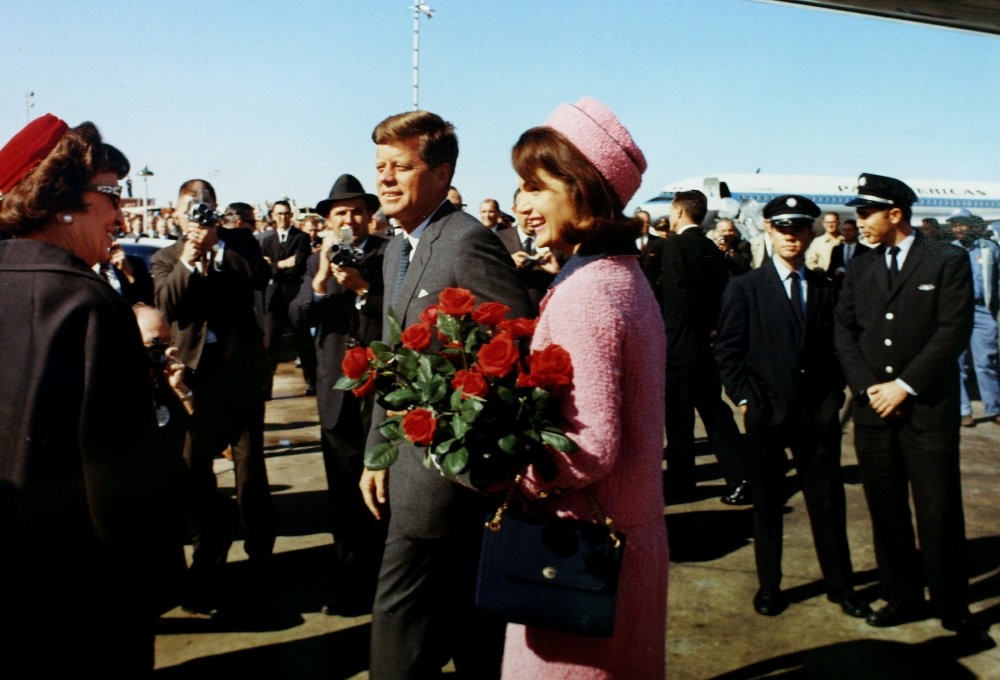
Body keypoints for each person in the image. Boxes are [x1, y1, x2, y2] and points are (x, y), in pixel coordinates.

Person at [0, 114, 185, 674]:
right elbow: (116, 477)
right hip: (79, 592)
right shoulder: (87, 303)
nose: (121, 214)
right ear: (62, 197)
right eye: (111, 194)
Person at [359, 110, 532, 679]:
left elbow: (516, 358)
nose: (384, 178)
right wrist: (376, 454)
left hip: (448, 487)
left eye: (400, 166)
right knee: (470, 631)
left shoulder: (466, 243)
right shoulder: (397, 249)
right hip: (407, 472)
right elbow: (393, 364)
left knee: (398, 632)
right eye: (380, 166)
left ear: (441, 173)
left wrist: (469, 469)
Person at [504, 96, 667, 679]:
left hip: (580, 554)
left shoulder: (589, 292)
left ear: (582, 188)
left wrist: (508, 471)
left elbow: (589, 445)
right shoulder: (621, 275)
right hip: (628, 535)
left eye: (535, 187)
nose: (523, 205)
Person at [834, 172, 981, 637]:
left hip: (926, 409)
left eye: (865, 212)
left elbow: (951, 331)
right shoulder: (861, 264)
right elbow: (845, 330)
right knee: (886, 508)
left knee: (938, 509)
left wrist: (905, 386)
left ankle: (951, 602)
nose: (859, 221)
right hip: (873, 409)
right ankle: (901, 595)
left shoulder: (946, 258)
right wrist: (867, 387)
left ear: (894, 214)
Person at [715, 195, 870, 619]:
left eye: (799, 229)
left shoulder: (825, 289)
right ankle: (769, 586)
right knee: (767, 505)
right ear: (769, 230)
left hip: (816, 417)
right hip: (766, 414)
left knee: (828, 503)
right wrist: (745, 399)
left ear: (810, 234)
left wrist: (833, 398)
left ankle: (842, 586)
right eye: (783, 228)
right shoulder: (745, 288)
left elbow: (840, 350)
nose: (791, 237)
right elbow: (728, 351)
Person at [152, 179, 275, 614]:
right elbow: (167, 305)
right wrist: (190, 256)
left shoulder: (239, 241)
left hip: (240, 373)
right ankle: (208, 551)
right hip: (193, 382)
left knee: (249, 471)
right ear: (178, 213)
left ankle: (261, 555)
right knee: (193, 470)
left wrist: (219, 247)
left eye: (204, 208)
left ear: (216, 209)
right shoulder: (166, 257)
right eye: (191, 210)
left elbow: (261, 276)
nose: (198, 217)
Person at [293, 174, 389, 615]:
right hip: (336, 393)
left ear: (370, 217)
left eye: (355, 211)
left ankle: (386, 588)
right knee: (344, 499)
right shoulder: (318, 261)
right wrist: (321, 280)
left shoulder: (391, 256)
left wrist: (362, 289)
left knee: (383, 494)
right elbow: (296, 315)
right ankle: (351, 585)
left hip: (379, 392)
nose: (349, 219)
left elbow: (396, 316)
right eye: (339, 213)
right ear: (328, 222)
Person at [655, 189, 751, 504]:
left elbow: (674, 300)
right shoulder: (711, 248)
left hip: (679, 345)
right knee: (715, 412)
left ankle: (683, 484)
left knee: (679, 420)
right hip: (706, 343)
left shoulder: (674, 247)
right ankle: (741, 477)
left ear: (679, 212)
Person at [946, 212, 1000, 426]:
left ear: (972, 226)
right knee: (956, 362)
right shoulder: (948, 250)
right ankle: (963, 410)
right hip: (955, 312)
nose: (958, 229)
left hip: (982, 312)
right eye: (954, 225)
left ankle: (995, 408)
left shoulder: (989, 249)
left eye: (962, 225)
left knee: (986, 361)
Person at [261, 200, 315, 397]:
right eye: (278, 214)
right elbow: (263, 269)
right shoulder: (267, 241)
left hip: (295, 296)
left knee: (302, 341)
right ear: (273, 216)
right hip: (274, 298)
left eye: (286, 213)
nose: (282, 217)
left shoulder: (301, 238)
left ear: (291, 215)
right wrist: (282, 264)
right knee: (270, 344)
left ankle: (312, 382)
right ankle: (265, 388)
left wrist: (274, 265)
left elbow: (299, 266)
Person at [497, 187, 562, 311]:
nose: (532, 217)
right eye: (525, 212)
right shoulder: (498, 240)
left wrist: (556, 272)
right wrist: (508, 265)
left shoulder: (557, 240)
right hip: (510, 315)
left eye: (536, 209)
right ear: (515, 210)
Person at [827, 218, 870, 286]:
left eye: (850, 230)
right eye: (844, 230)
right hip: (839, 288)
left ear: (856, 231)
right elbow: (830, 271)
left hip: (858, 288)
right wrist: (835, 273)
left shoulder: (865, 250)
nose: (846, 233)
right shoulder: (837, 249)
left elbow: (867, 273)